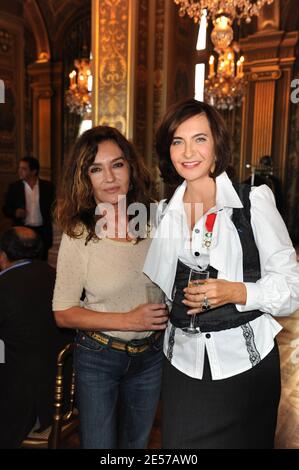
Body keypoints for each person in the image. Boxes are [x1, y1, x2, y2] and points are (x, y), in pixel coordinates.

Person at [143, 98, 299, 449]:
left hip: (246, 368)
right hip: (181, 368)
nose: (187, 151)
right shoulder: (164, 212)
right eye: (177, 141)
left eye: (199, 139)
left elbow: (293, 286)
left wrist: (237, 292)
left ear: (217, 144)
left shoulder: (253, 200)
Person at [52, 125, 168, 449]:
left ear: (131, 167)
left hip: (151, 356)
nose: (110, 177)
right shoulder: (79, 233)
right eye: (96, 169)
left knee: (136, 446)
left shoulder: (155, 221)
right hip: (99, 357)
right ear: (85, 178)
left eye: (117, 164)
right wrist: (128, 320)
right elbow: (62, 312)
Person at [0, 227, 72, 449]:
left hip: (22, 403)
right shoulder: (57, 277)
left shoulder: (5, 286)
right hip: (63, 392)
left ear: (3, 256)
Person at [2, 156, 55, 260]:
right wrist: (15, 212)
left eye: (24, 169)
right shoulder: (14, 187)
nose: (19, 171)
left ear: (34, 171)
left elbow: (54, 207)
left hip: (42, 231)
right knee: (22, 260)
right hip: (22, 230)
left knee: (41, 261)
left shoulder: (48, 187)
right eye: (19, 168)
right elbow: (6, 209)